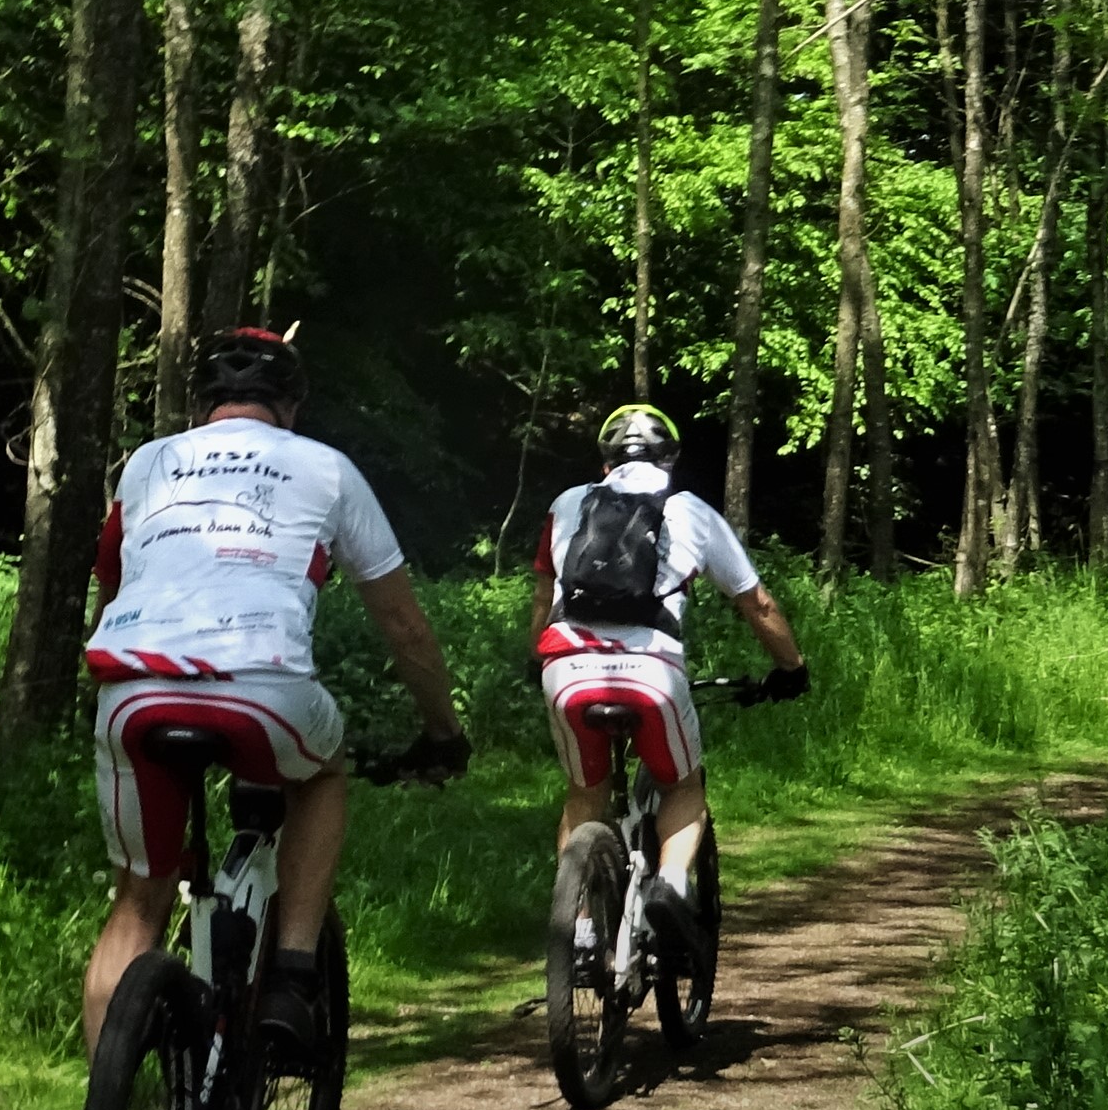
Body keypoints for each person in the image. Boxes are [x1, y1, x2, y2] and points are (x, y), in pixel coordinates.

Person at [79, 324, 470, 1060]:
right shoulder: (326, 467)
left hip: (131, 687)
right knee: (321, 774)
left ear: (200, 404)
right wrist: (442, 731)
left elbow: (111, 586)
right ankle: (291, 973)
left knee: (136, 903)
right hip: (263, 690)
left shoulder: (147, 463)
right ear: (291, 406)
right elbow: (405, 628)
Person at [528, 403, 807, 960]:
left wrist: (534, 658)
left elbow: (543, 597)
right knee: (682, 784)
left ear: (605, 463)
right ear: (670, 459)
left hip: (565, 668)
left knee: (585, 793)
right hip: (652, 671)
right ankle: (672, 887)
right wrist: (791, 669)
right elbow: (758, 604)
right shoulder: (691, 511)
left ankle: (579, 933)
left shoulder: (566, 504)